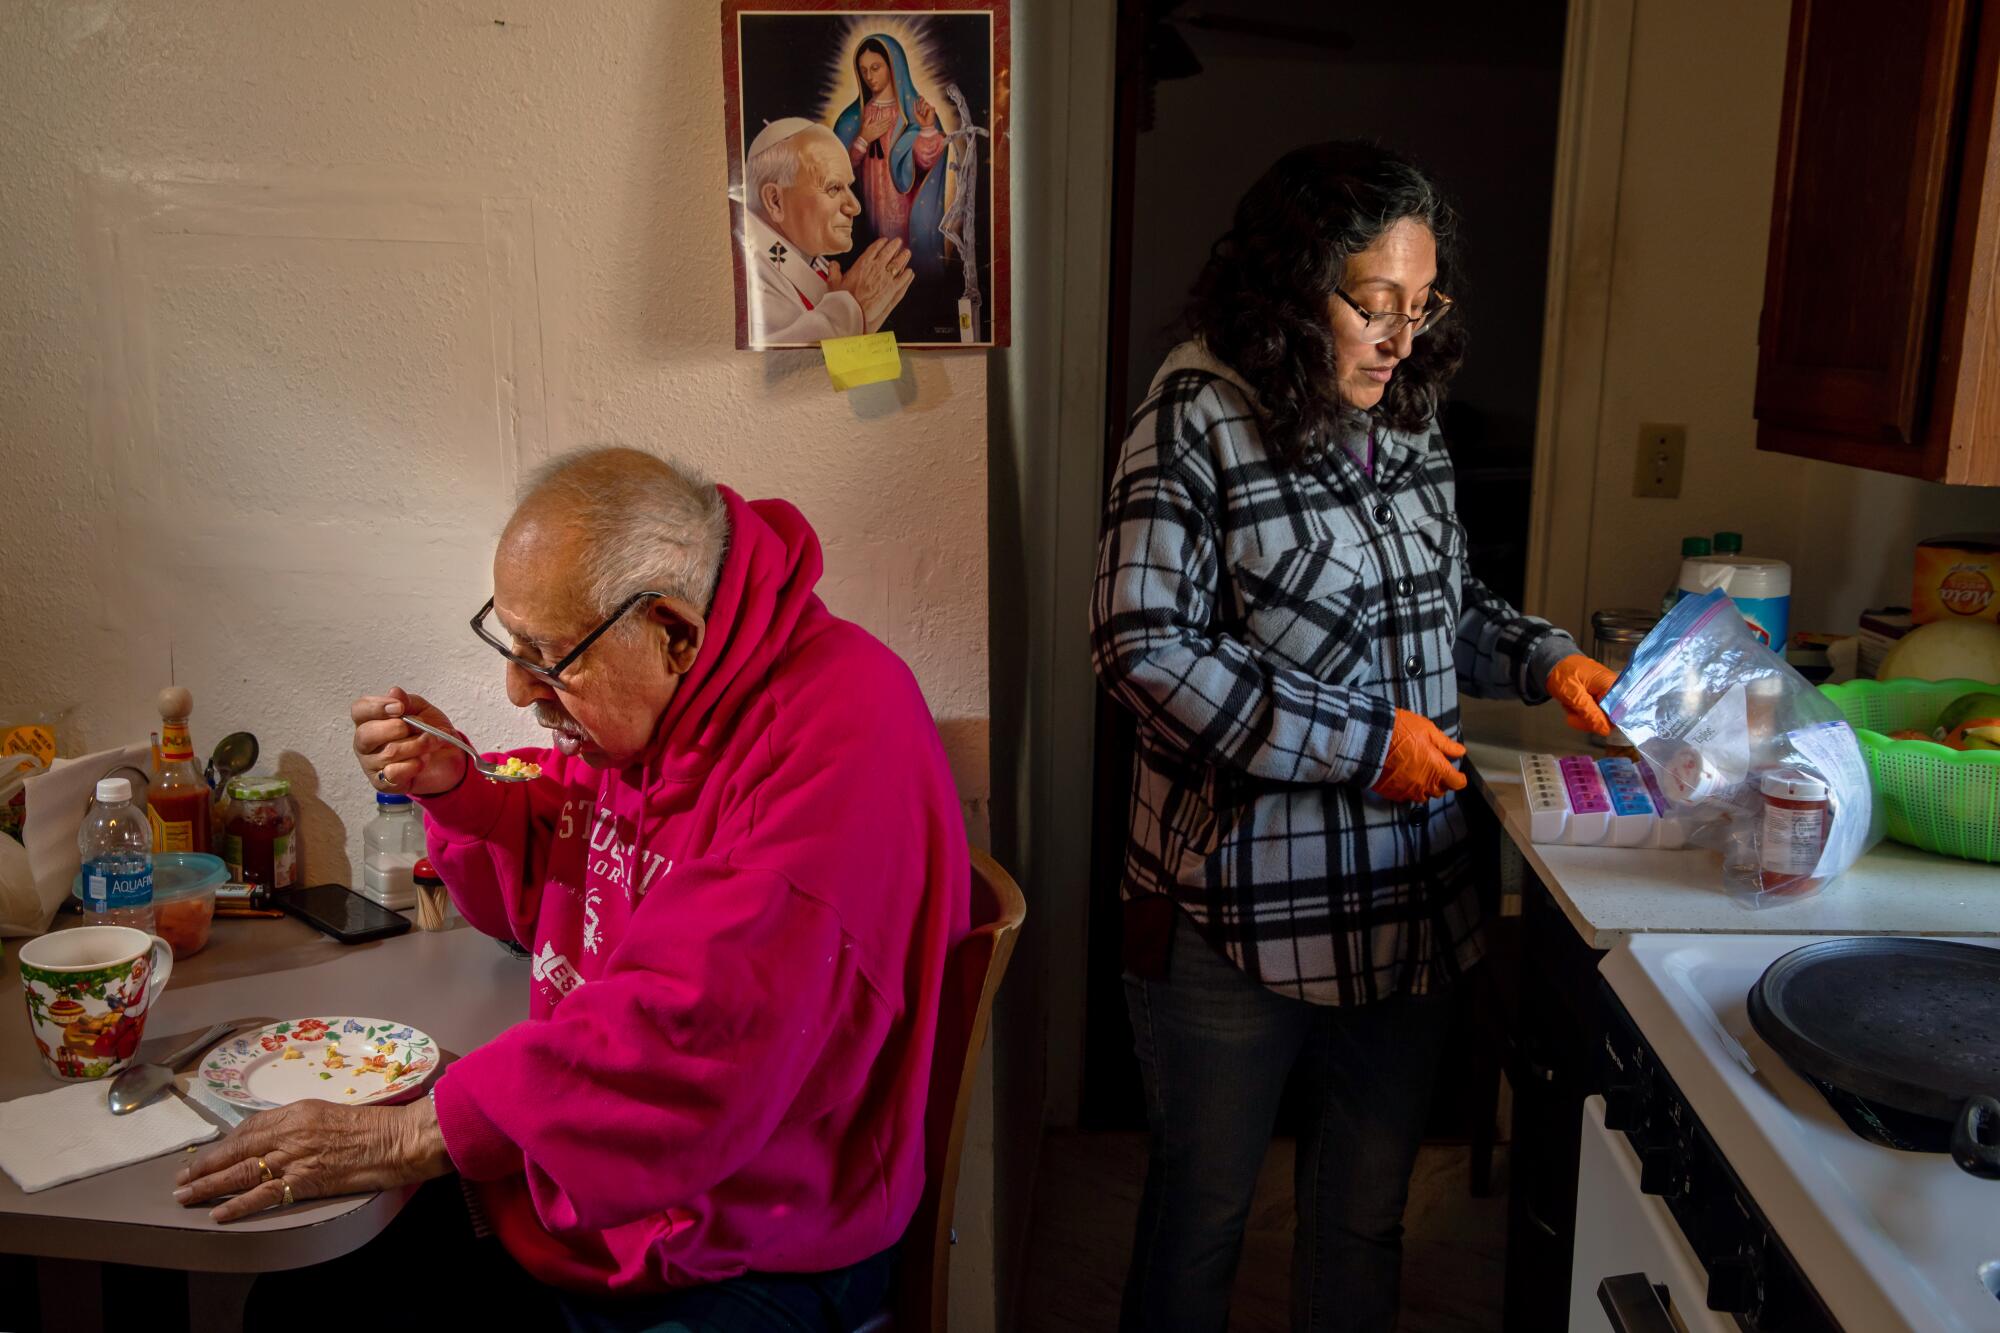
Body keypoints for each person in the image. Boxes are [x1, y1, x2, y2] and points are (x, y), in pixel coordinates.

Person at [176, 447, 972, 1332]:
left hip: (753, 1241)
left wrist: (415, 1134)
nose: (520, 691)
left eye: (547, 659)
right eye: (511, 646)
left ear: (673, 633)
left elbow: (693, 1034)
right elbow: (571, 882)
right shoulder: (670, 704)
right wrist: (462, 792)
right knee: (302, 1303)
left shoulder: (835, 734)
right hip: (606, 1199)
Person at [1089, 141, 1616, 1333]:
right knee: (1200, 1214)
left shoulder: (1409, 420)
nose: (1400, 337)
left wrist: (1545, 658)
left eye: (1419, 306)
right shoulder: (1196, 411)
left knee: (1362, 1215)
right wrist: (1358, 743)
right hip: (1235, 913)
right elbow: (1138, 644)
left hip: (1406, 905)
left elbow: (1441, 608)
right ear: (1289, 287)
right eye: (1371, 306)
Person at [744, 116, 914, 346]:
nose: (854, 207)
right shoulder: (753, 278)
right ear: (775, 201)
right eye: (834, 188)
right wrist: (852, 309)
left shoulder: (808, 260)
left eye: (849, 187)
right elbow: (785, 373)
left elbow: (855, 380)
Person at [835, 36, 948, 272]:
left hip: (900, 203)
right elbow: (843, 169)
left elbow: (925, 162)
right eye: (863, 70)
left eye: (876, 68)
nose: (869, 76)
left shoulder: (912, 113)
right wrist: (864, 138)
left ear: (893, 66)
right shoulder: (855, 117)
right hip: (868, 201)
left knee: (898, 257)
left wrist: (926, 128)